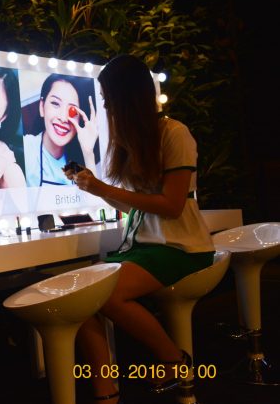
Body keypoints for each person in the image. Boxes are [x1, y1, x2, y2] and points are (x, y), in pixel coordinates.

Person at [65, 55, 215, 404]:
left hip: (180, 247)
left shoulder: (174, 133)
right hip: (144, 246)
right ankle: (106, 392)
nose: (106, 108)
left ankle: (175, 361)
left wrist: (102, 188)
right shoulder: (131, 141)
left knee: (105, 294)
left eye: (108, 100)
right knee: (80, 296)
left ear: (126, 98)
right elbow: (137, 207)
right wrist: (95, 189)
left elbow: (171, 205)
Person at [23, 74, 99, 186]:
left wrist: (88, 152)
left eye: (73, 110)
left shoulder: (80, 161)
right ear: (42, 107)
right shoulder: (26, 148)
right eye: (55, 103)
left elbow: (93, 196)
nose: (63, 118)